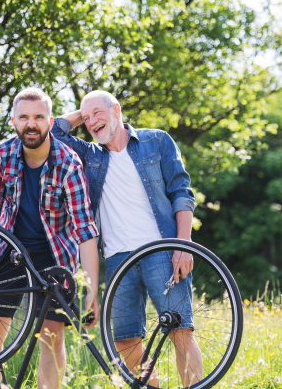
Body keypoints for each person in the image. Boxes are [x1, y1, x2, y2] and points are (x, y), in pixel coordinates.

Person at [51, 90, 203, 386]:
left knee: (179, 331)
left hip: (162, 249)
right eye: (87, 116)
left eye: (99, 112)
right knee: (125, 340)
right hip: (118, 259)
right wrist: (85, 116)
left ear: (117, 109)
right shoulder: (89, 155)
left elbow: (182, 193)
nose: (93, 120)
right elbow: (53, 132)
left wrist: (183, 245)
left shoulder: (156, 141)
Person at [0, 88, 100, 389]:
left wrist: (92, 288)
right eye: (24, 117)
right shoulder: (1, 155)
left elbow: (85, 229)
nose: (31, 123)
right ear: (14, 121)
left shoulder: (68, 162)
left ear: (50, 121)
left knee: (51, 336)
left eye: (39, 117)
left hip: (54, 255)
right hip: (11, 248)